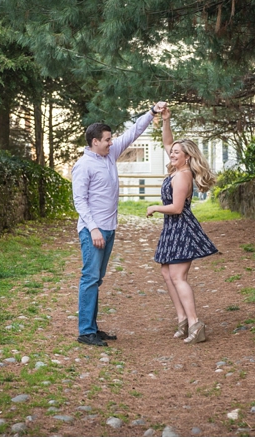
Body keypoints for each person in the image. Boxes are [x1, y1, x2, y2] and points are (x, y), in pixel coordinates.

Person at [72, 106, 158, 347]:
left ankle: (92, 327)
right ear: (95, 141)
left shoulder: (109, 155)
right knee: (90, 278)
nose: (112, 142)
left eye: (111, 139)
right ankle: (86, 331)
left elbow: (133, 132)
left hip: (109, 228)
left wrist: (151, 112)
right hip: (94, 231)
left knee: (96, 279)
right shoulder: (83, 165)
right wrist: (94, 228)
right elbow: (79, 201)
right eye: (108, 139)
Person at [146, 106, 218, 344]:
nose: (172, 154)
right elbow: (167, 142)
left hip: (181, 227)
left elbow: (177, 208)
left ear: (187, 156)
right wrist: (166, 120)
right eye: (172, 152)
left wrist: (155, 207)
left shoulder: (183, 175)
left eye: (177, 152)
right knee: (167, 273)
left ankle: (196, 324)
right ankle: (183, 320)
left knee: (178, 276)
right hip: (172, 229)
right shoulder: (178, 169)